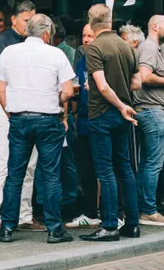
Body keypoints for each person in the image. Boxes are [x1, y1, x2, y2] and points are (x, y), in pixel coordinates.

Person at [0, 14, 75, 244]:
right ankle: (54, 229)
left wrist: (11, 112)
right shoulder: (56, 54)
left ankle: (7, 228)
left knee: (14, 175)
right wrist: (54, 101)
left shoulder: (9, 52)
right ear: (47, 33)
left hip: (19, 119)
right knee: (50, 176)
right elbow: (68, 91)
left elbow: (0, 90)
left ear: (28, 30)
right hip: (48, 120)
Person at [81, 4, 142, 242]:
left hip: (103, 113)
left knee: (105, 171)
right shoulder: (126, 47)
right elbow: (136, 83)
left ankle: (109, 226)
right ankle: (132, 224)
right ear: (110, 20)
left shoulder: (94, 47)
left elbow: (103, 85)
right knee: (125, 168)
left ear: (91, 22)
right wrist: (124, 102)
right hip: (123, 115)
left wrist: (116, 103)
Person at [0, 1, 44, 236]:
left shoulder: (30, 44)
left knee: (30, 164)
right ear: (14, 19)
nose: (30, 24)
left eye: (32, 21)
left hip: (26, 106)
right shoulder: (1, 41)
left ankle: (24, 215)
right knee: (4, 160)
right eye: (26, 20)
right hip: (5, 104)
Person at [134, 15, 164, 226]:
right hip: (152, 112)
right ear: (154, 26)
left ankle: (143, 207)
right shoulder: (149, 47)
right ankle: (149, 210)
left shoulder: (151, 47)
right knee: (153, 163)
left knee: (147, 163)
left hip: (149, 112)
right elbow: (144, 76)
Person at [65, 23, 102, 230]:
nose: (86, 39)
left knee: (105, 169)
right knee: (86, 169)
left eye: (91, 35)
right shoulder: (81, 61)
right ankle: (90, 213)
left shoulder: (101, 57)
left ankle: (114, 213)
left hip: (100, 118)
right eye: (84, 35)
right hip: (84, 119)